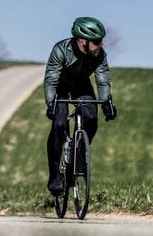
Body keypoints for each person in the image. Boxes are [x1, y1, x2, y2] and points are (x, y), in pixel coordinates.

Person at [43, 17, 117, 196]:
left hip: (81, 85)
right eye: (97, 41)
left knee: (91, 118)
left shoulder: (100, 55)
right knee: (59, 125)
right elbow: (51, 79)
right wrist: (51, 103)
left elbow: (103, 80)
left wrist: (107, 102)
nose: (100, 45)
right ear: (82, 40)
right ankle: (54, 177)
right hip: (60, 87)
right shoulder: (61, 50)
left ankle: (76, 163)